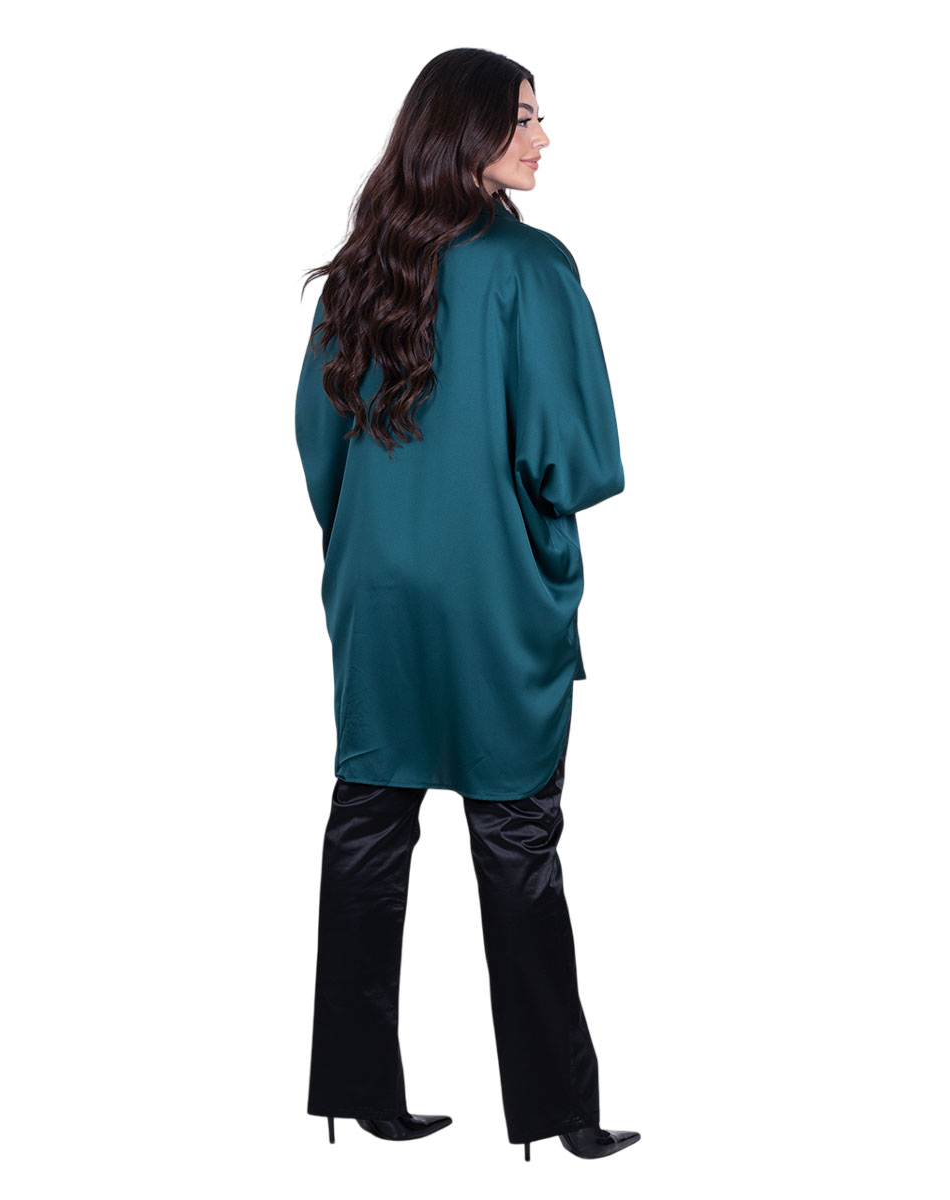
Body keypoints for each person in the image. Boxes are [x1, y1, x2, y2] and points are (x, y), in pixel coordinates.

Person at [294, 48, 639, 1162]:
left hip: (377, 591)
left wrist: (379, 537)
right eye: (524, 118)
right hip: (493, 587)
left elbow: (318, 449)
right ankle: (559, 1114)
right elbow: (574, 459)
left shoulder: (362, 271)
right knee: (516, 835)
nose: (543, 138)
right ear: (470, 130)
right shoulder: (532, 268)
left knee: (369, 820)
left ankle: (356, 1092)